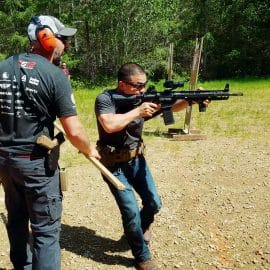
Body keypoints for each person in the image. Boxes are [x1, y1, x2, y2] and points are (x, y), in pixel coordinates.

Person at [0, 15, 100, 270]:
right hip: (35, 165)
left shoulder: (2, 67)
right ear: (46, 38)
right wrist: (90, 149)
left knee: (17, 220)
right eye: (62, 39)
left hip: (6, 164)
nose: (65, 44)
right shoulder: (55, 76)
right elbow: (74, 130)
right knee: (45, 231)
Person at [95, 63, 208, 270]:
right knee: (130, 211)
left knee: (154, 203)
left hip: (137, 160)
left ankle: (140, 227)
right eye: (137, 86)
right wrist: (138, 111)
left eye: (145, 85)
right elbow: (109, 124)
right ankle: (142, 256)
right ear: (122, 84)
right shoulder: (106, 99)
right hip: (113, 165)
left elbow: (172, 106)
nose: (142, 90)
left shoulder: (142, 99)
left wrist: (191, 99)